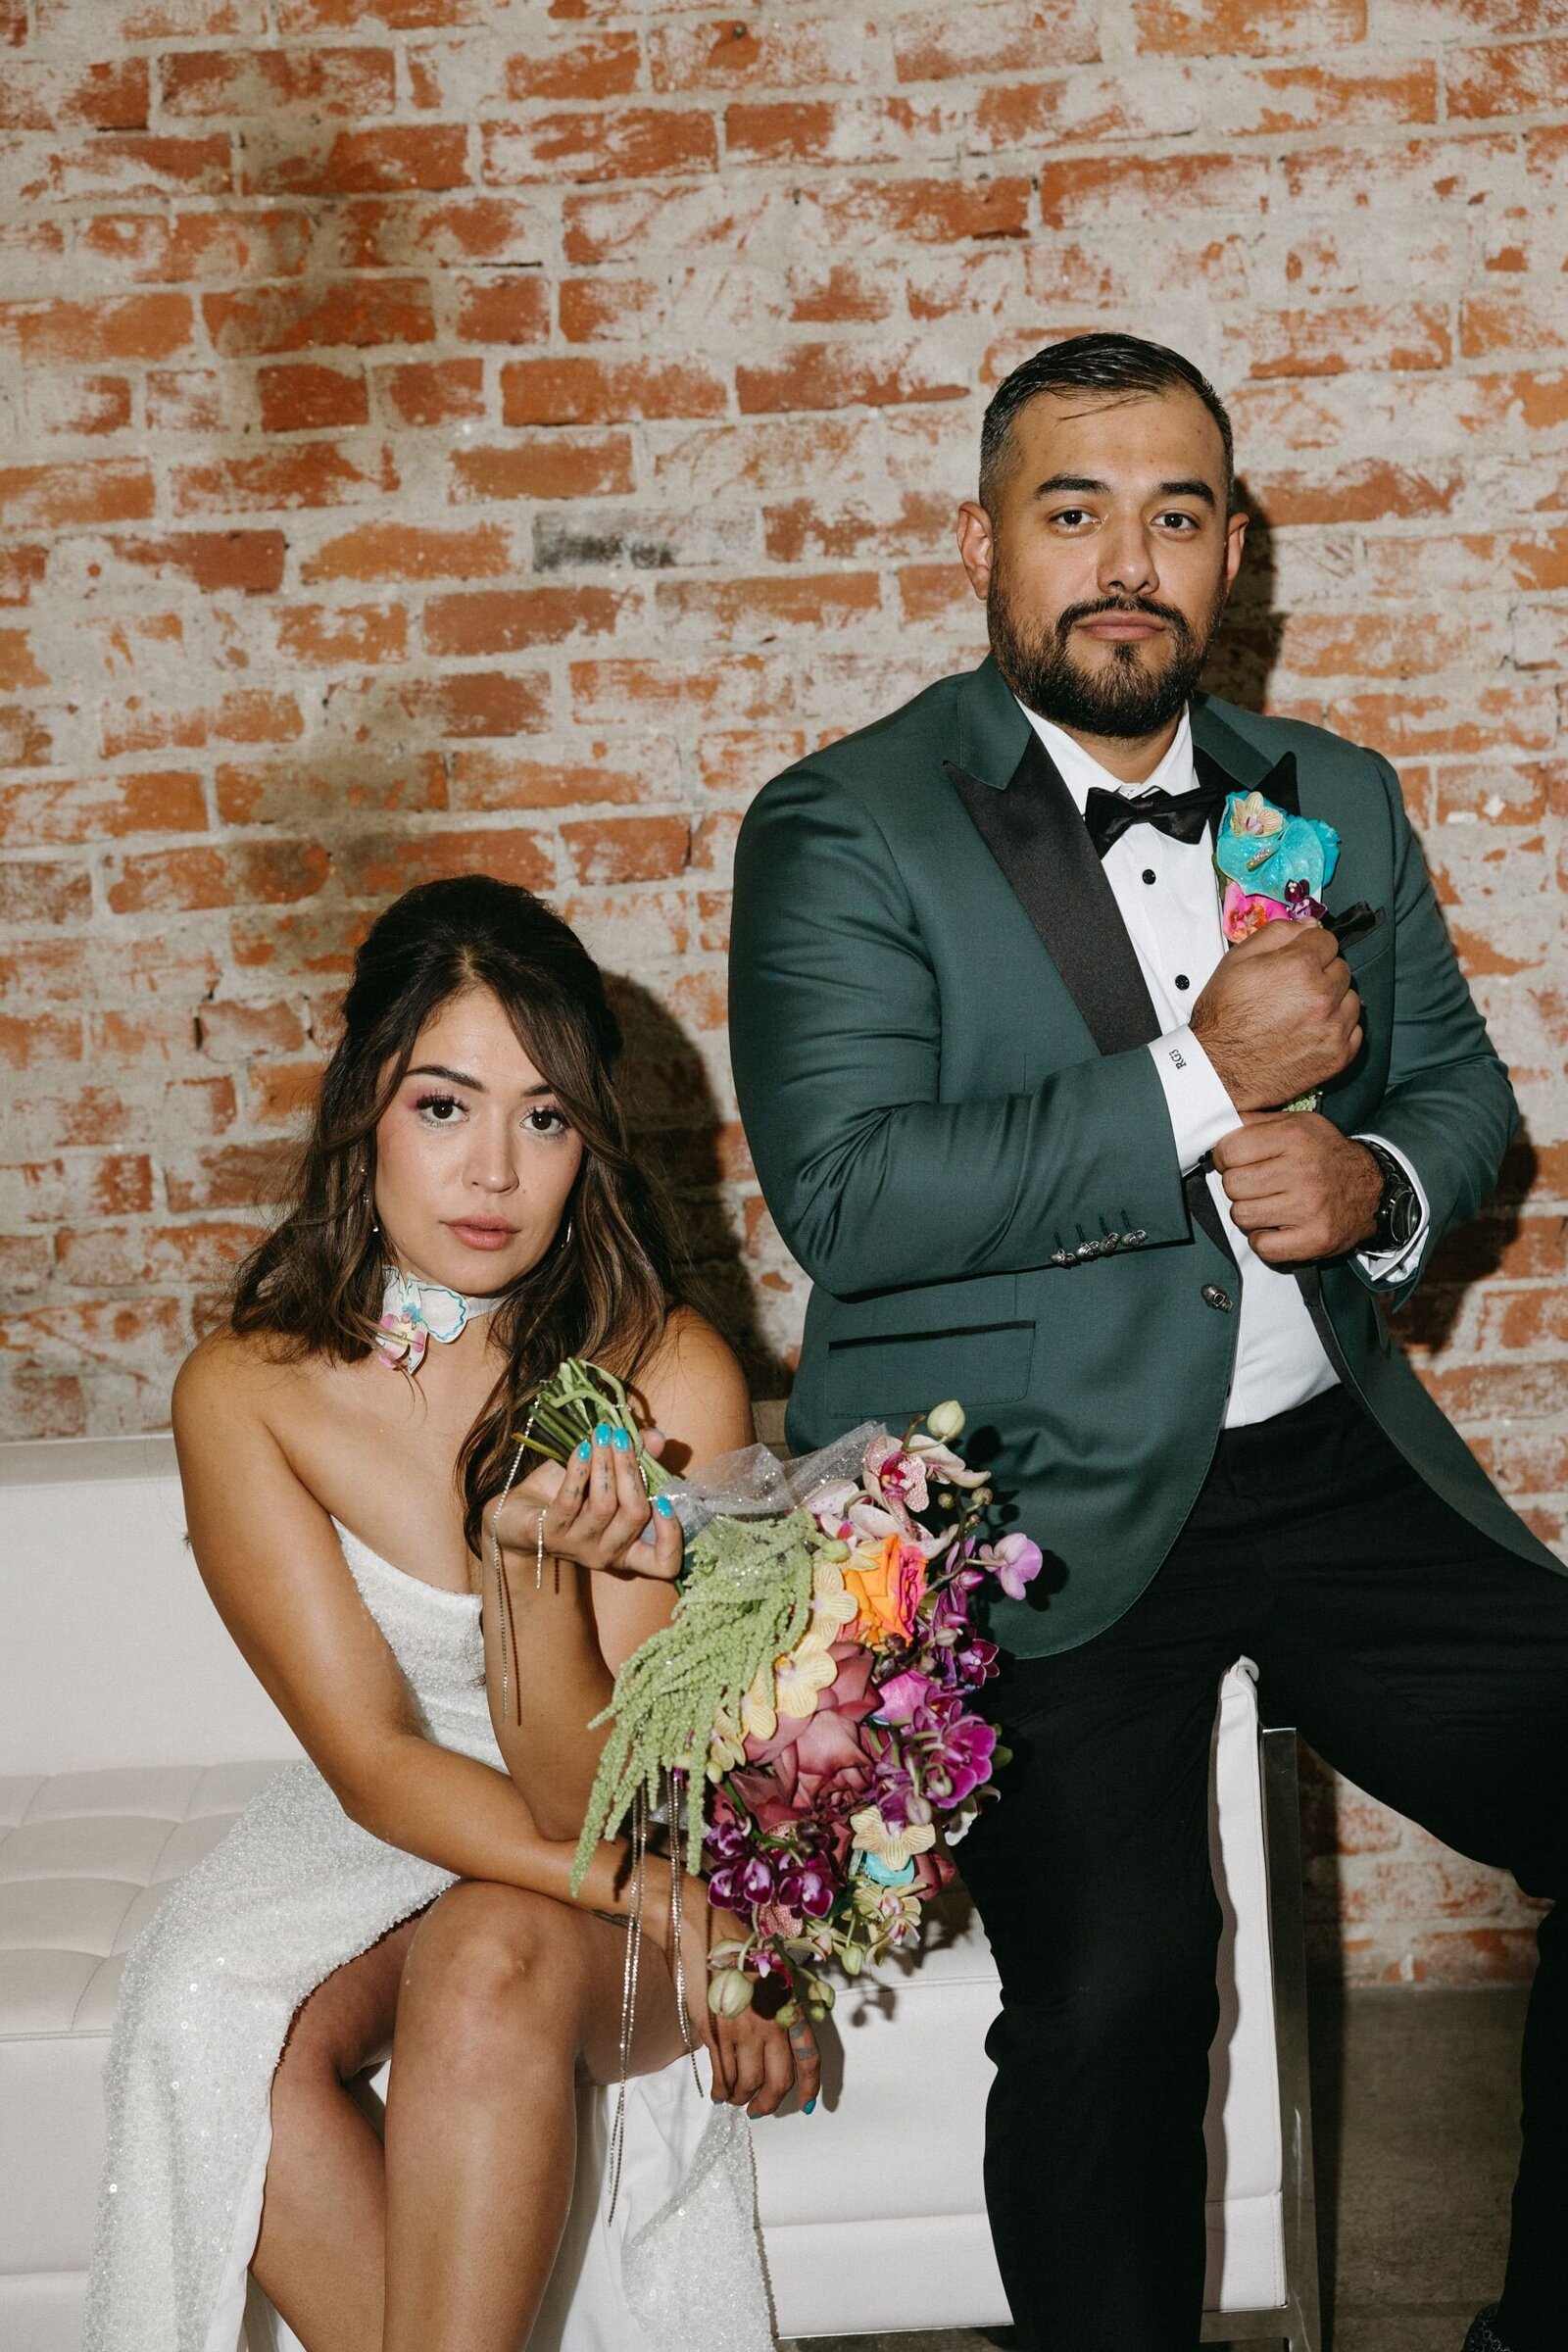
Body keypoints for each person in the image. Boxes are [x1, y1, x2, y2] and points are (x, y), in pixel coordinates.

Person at [728, 331, 1566, 2352]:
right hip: (1021, 1507)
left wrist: (1373, 1186)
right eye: (1071, 510)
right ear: (980, 543)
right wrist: (1195, 1085)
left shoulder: (1334, 798)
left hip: (1320, 1465)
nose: (1126, 560)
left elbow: (1462, 1105)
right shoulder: (844, 825)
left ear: (1230, 548)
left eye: (1172, 514)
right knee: (1114, 1994)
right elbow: (847, 1193)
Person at [85, 873, 814, 2352]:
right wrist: (648, 1896)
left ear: (586, 1145)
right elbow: (369, 1759)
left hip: (610, 1814)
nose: (492, 1170)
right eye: (444, 1106)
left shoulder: (665, 1375)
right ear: (364, 1105)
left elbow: (605, 1791)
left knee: (485, 1959)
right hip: (390, 1811)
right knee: (207, 2012)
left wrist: (528, 1584)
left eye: (544, 1118)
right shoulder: (246, 1393)